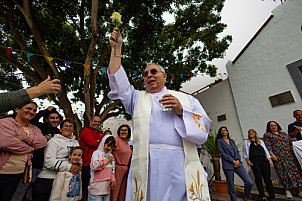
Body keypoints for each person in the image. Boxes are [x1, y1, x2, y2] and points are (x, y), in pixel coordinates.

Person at [107, 27, 212, 201]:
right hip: (147, 162)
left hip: (179, 162)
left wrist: (180, 110)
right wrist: (116, 50)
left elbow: (203, 129)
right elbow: (119, 82)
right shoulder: (137, 98)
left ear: (164, 76)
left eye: (153, 72)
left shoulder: (185, 99)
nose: (149, 76)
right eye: (145, 74)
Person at [12, 105, 63, 201]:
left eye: (57, 118)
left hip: (48, 169)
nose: (55, 120)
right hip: (35, 165)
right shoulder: (39, 127)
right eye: (52, 118)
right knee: (21, 189)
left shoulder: (58, 132)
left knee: (34, 192)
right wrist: (45, 111)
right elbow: (32, 120)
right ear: (47, 119)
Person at [0, 102, 47, 201]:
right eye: (29, 108)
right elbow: (6, 143)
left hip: (20, 172)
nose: (32, 112)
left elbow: (42, 142)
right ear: (17, 109)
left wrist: (25, 137)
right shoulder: (5, 123)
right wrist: (31, 148)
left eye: (34, 110)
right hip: (3, 171)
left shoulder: (34, 128)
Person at [32, 119, 80, 201]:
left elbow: (79, 157)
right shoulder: (53, 142)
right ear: (60, 129)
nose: (68, 128)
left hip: (65, 180)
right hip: (49, 179)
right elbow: (49, 162)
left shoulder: (76, 143)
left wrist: (79, 165)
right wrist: (69, 167)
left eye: (71, 126)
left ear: (74, 130)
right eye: (65, 126)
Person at [263, 121, 302, 199]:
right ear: (269, 128)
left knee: (295, 172)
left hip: (290, 156)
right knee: (283, 173)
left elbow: (291, 142)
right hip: (279, 157)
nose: (274, 127)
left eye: (275, 125)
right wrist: (272, 155)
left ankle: (300, 191)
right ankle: (287, 191)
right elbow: (268, 146)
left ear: (278, 126)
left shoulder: (284, 134)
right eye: (271, 126)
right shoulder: (267, 135)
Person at [216, 126, 253, 201]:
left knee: (249, 182)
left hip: (238, 164)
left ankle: (246, 196)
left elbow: (236, 151)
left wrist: (238, 160)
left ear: (227, 132)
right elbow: (222, 153)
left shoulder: (232, 141)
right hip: (228, 165)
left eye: (225, 130)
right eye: (222, 130)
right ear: (220, 132)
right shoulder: (219, 141)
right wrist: (233, 161)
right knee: (231, 185)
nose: (223, 131)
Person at [243, 129, 275, 201]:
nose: (251, 133)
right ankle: (262, 196)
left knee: (267, 178)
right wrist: (248, 161)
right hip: (254, 162)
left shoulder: (260, 141)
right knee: (258, 178)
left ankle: (272, 196)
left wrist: (269, 159)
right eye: (249, 132)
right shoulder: (246, 142)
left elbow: (266, 150)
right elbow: (245, 153)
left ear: (255, 133)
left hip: (264, 161)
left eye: (252, 132)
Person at [80, 115, 105, 201]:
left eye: (98, 122)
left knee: (95, 187)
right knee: (85, 186)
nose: (97, 123)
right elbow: (92, 142)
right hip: (87, 163)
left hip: (99, 164)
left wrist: (98, 142)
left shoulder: (101, 133)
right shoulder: (85, 130)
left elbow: (104, 145)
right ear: (90, 122)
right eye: (95, 121)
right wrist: (99, 142)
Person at [88, 135, 116, 201]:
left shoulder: (111, 156)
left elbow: (112, 169)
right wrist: (107, 160)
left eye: (111, 147)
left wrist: (113, 179)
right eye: (108, 145)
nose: (109, 148)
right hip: (96, 190)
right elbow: (94, 166)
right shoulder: (96, 153)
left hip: (106, 190)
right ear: (103, 143)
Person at [110, 125, 132, 201]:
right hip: (118, 168)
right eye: (121, 130)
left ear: (128, 132)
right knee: (115, 190)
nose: (123, 131)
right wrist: (112, 158)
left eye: (125, 130)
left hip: (127, 169)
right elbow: (108, 150)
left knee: (123, 192)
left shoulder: (129, 143)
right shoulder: (116, 140)